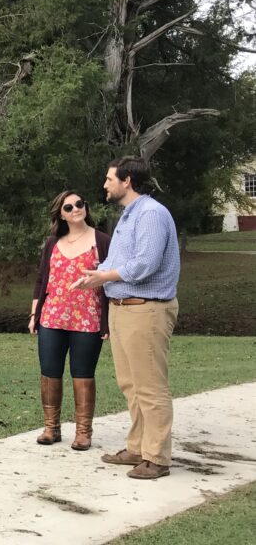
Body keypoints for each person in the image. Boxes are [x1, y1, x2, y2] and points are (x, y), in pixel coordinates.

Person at [72, 156, 180, 480]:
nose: (105, 185)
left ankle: (157, 458)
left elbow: (144, 264)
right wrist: (99, 273)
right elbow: (120, 260)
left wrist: (103, 277)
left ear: (127, 180)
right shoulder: (128, 216)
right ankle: (137, 448)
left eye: (109, 179)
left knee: (150, 387)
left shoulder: (150, 215)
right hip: (123, 309)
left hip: (146, 309)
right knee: (131, 384)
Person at [29, 191, 111, 451]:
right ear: (61, 214)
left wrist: (107, 322)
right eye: (69, 206)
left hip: (88, 318)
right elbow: (42, 280)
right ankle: (51, 428)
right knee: (50, 371)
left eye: (79, 204)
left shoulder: (102, 240)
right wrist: (34, 315)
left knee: (83, 373)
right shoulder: (53, 243)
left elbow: (111, 281)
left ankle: (83, 432)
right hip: (52, 317)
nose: (76, 209)